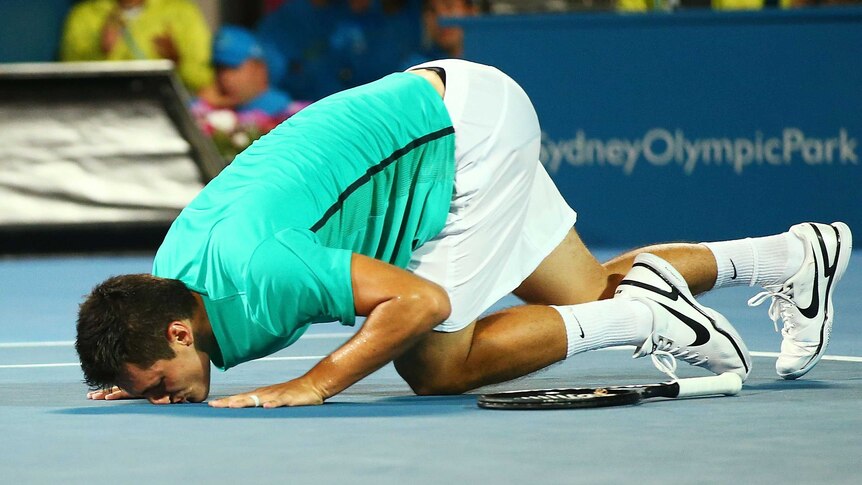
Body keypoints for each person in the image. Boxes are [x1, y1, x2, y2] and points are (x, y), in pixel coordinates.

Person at [76, 59, 852, 408]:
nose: (161, 399)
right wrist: (131, 364)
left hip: (460, 139)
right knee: (581, 295)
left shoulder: (260, 269)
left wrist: (315, 383)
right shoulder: (170, 284)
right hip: (432, 127)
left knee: (436, 358)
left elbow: (416, 298)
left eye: (156, 386)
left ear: (180, 329)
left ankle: (647, 315)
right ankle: (795, 256)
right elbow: (148, 336)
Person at [60, 0, 217, 98]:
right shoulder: (84, 14)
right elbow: (68, 76)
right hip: (104, 109)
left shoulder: (182, 11)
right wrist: (99, 52)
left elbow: (203, 79)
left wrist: (177, 62)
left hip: (161, 108)